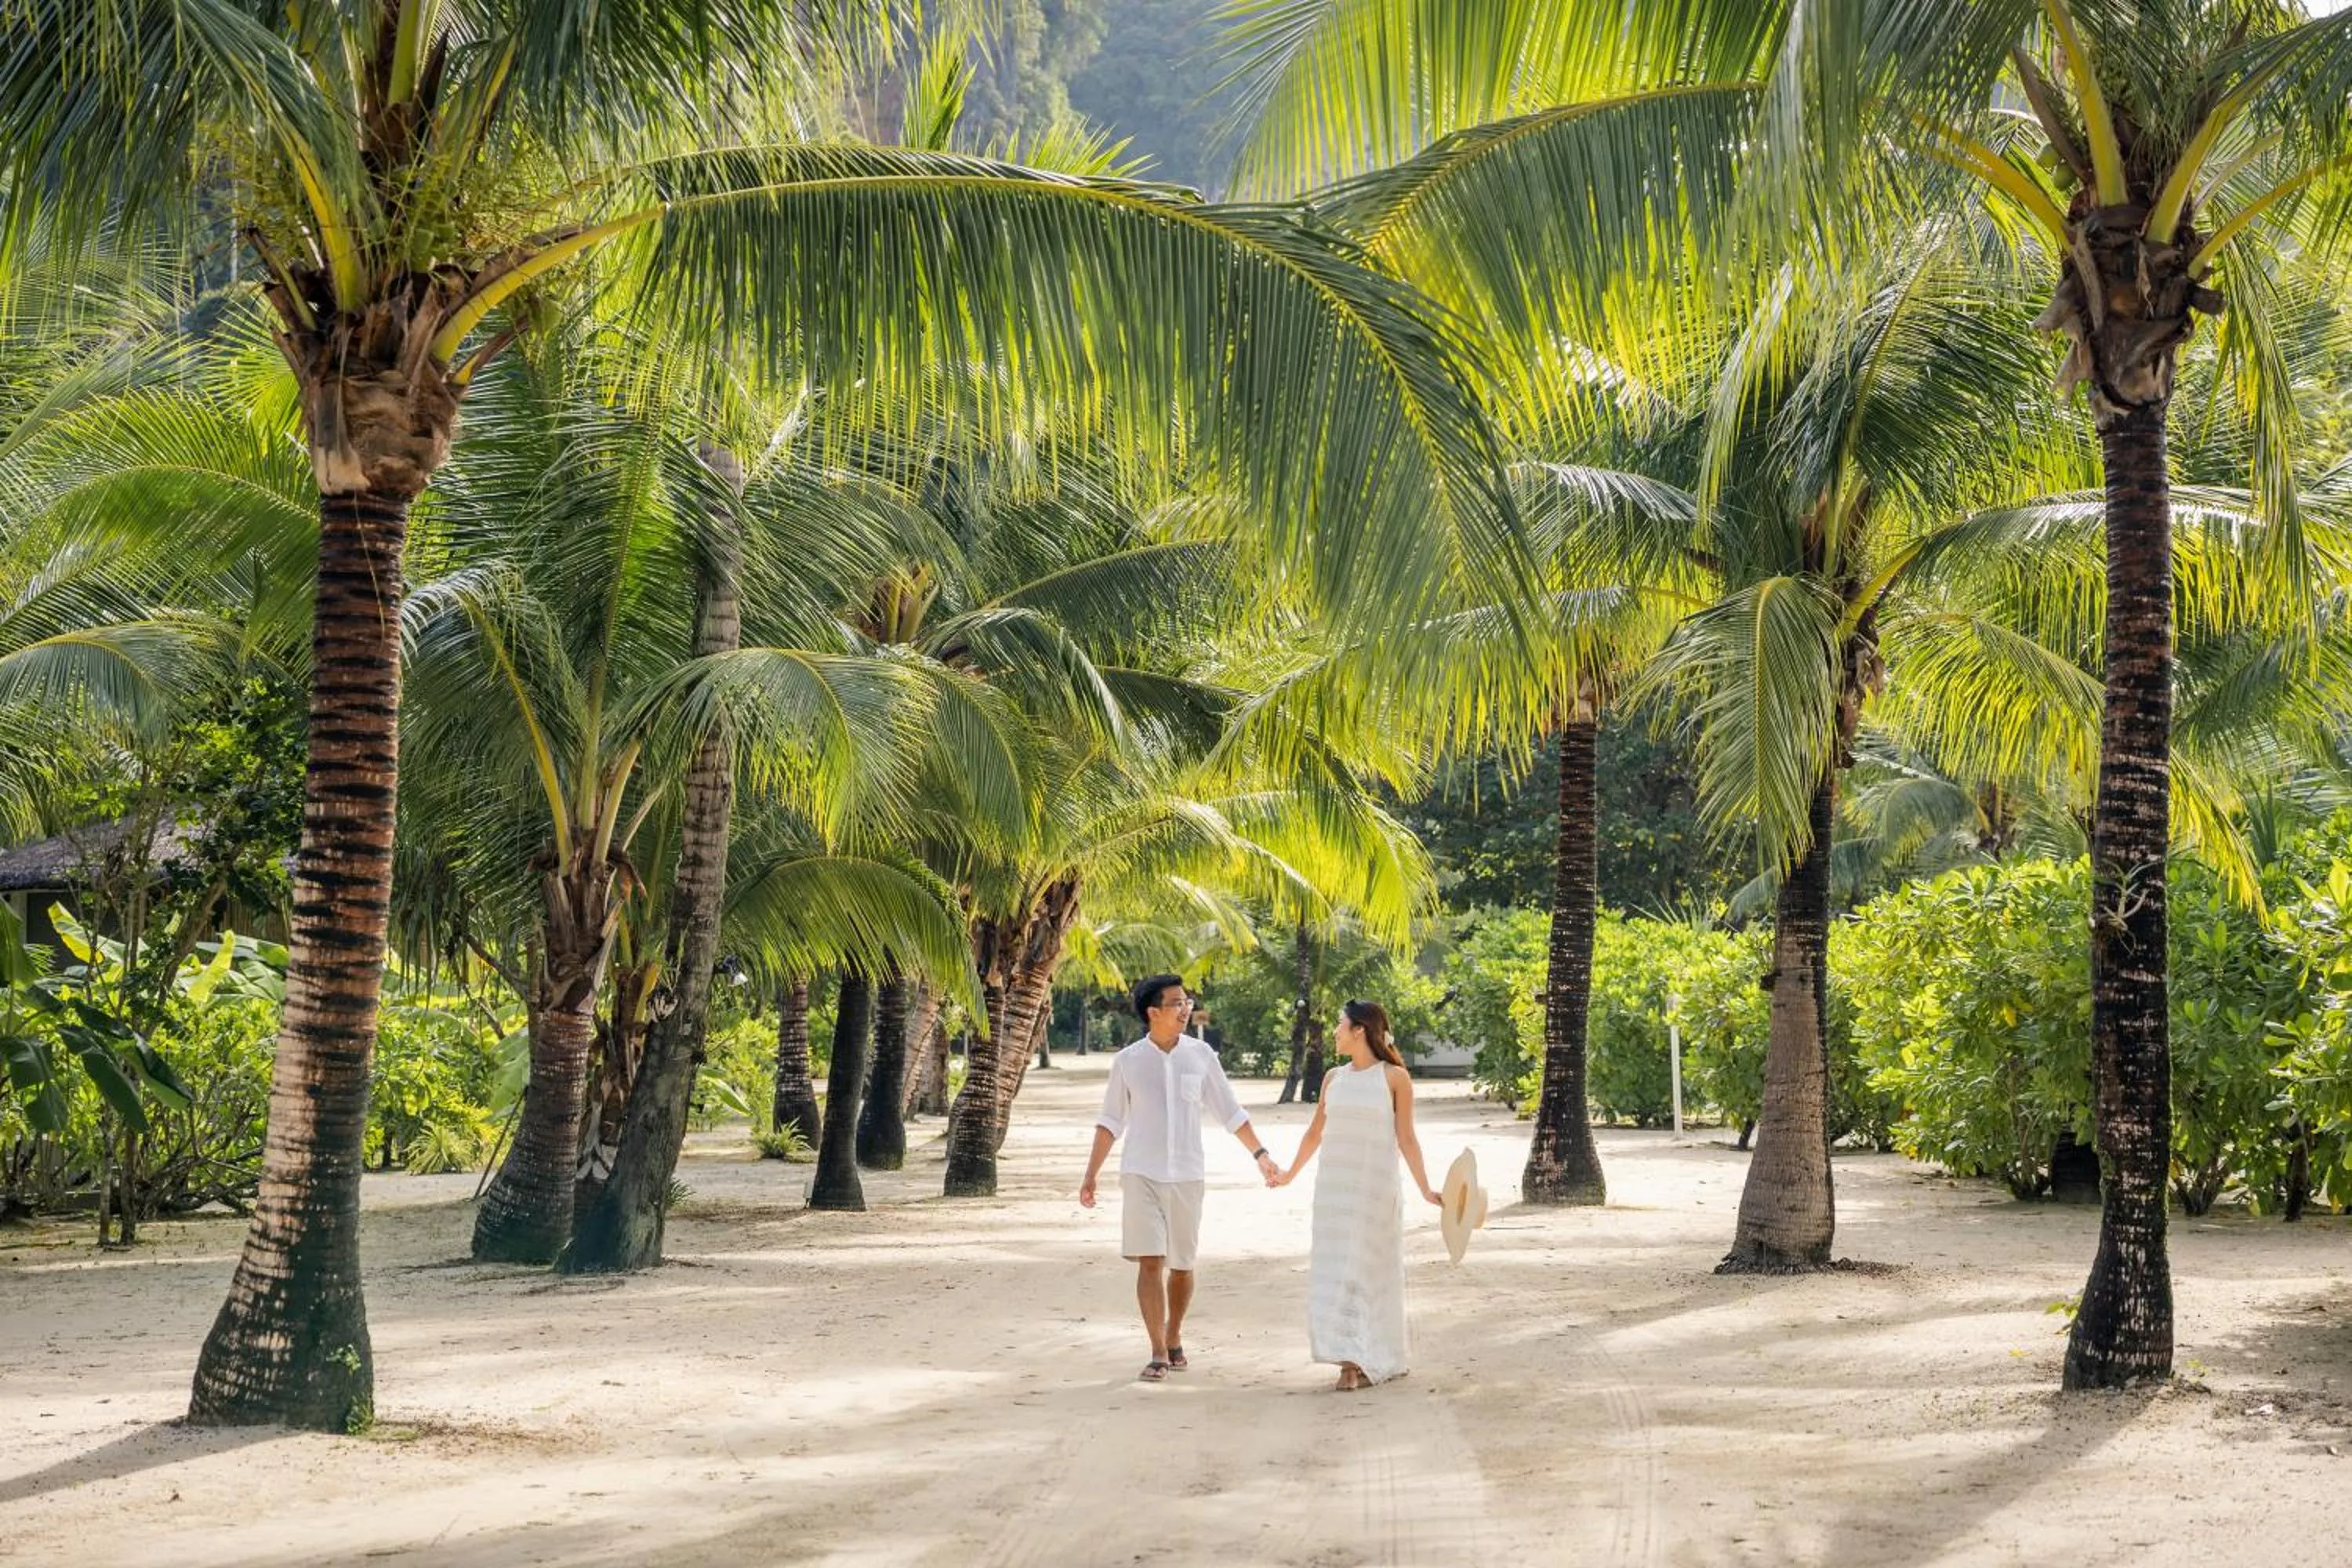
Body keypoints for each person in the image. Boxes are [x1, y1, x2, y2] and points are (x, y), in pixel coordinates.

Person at [1079, 973, 1279, 1382]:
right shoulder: (1128, 1061)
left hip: (1188, 1175)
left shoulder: (1201, 1056)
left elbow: (1230, 1111)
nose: (1185, 1009)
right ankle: (1157, 1350)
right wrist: (1091, 1175)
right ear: (1153, 1012)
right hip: (1141, 1173)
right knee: (1150, 1261)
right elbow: (1111, 1121)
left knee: (1183, 1266)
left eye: (1187, 1002)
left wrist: (1261, 1155)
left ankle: (1174, 1335)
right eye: (1176, 1003)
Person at [1270, 1000, 1439, 1391]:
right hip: (1333, 1194)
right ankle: (1348, 1359)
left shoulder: (1395, 1078)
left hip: (1375, 1192)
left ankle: (1365, 1359)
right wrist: (1290, 1175)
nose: (1335, 1031)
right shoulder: (1333, 1078)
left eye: (1340, 1024)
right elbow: (1315, 1133)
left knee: (1366, 1271)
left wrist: (1425, 1189)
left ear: (1359, 1029)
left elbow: (1407, 1138)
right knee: (1335, 1273)